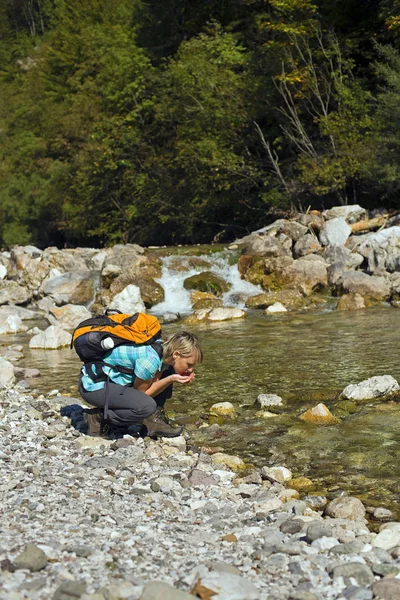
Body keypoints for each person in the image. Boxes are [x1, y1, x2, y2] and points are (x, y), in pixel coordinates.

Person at [78, 331, 203, 438]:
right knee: (145, 406)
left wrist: (170, 378)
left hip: (110, 383)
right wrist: (171, 379)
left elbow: (153, 384)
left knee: (169, 371)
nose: (191, 369)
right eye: (189, 364)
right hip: (93, 386)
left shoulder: (162, 349)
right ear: (176, 354)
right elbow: (143, 396)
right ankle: (97, 417)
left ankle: (154, 420)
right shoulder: (150, 360)